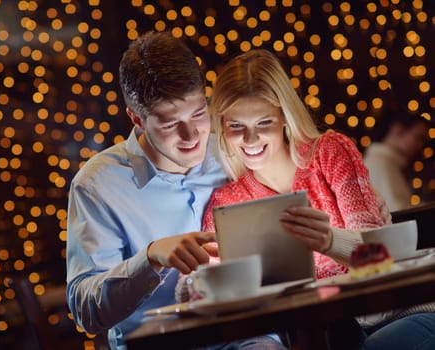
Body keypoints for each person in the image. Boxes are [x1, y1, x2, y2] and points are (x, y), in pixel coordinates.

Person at [181, 49, 435, 350]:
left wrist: (329, 240)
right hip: (319, 332)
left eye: (264, 123)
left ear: (284, 118)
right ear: (222, 126)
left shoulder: (328, 153)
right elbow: (210, 288)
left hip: (395, 315)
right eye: (236, 126)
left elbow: (381, 258)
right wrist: (194, 286)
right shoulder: (227, 202)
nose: (250, 140)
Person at [66, 31, 286, 350]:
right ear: (136, 119)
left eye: (198, 114)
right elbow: (85, 310)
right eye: (170, 124)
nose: (191, 135)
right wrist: (150, 257)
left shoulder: (233, 152)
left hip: (248, 336)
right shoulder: (97, 185)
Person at [363, 111, 430, 212]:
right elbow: (398, 212)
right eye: (418, 137)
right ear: (398, 130)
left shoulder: (388, 163)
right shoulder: (380, 163)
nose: (420, 145)